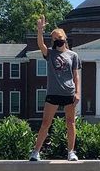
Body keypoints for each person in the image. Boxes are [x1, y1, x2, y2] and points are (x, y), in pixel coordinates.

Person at [30, 16, 81, 161]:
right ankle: (36, 152)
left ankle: (71, 152)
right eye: (54, 38)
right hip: (53, 93)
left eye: (59, 37)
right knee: (46, 123)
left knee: (70, 123)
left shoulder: (73, 55)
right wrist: (40, 30)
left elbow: (75, 75)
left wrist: (77, 92)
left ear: (65, 38)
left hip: (68, 92)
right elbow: (40, 45)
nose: (57, 40)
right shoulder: (50, 54)